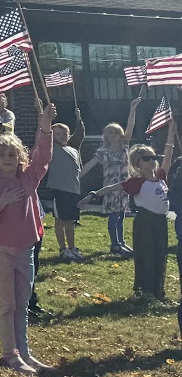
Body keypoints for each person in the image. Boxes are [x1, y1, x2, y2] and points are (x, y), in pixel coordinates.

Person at [0, 98, 55, 375]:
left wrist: (45, 127)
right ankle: (10, 354)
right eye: (2, 156)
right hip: (1, 251)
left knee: (23, 303)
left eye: (12, 155)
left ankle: (25, 353)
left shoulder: (28, 179)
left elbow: (42, 156)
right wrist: (2, 202)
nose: (7, 160)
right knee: (6, 304)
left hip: (26, 250)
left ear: (20, 158)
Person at [87, 127, 176, 300]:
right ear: (138, 164)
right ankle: (145, 290)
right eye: (146, 158)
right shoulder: (136, 182)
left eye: (153, 158)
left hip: (160, 222)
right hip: (145, 222)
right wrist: (94, 194)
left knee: (160, 254)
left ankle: (158, 291)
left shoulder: (160, 176)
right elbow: (113, 187)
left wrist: (171, 134)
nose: (151, 161)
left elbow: (168, 155)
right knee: (147, 255)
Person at [80, 99, 140, 258]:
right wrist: (77, 176)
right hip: (110, 187)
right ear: (106, 135)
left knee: (121, 215)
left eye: (117, 132)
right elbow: (90, 164)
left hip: (124, 186)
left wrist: (132, 109)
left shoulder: (124, 146)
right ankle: (115, 245)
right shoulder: (103, 152)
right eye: (111, 132)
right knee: (113, 216)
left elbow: (131, 126)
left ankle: (121, 242)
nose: (114, 135)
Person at [44, 111, 87, 262]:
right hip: (59, 190)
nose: (62, 136)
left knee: (70, 221)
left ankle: (72, 248)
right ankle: (63, 249)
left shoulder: (73, 150)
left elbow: (80, 133)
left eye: (65, 134)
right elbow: (44, 133)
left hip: (73, 190)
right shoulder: (52, 149)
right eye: (58, 134)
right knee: (60, 221)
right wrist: (46, 117)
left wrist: (78, 118)